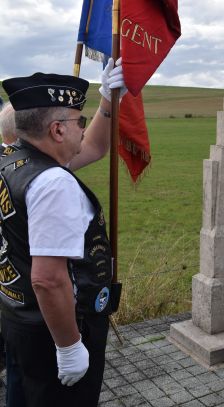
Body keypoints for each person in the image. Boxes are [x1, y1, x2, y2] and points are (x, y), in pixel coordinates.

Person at [0, 60, 126, 406]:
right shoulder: (52, 182)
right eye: (79, 121)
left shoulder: (12, 159)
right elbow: (48, 279)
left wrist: (107, 100)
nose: (82, 129)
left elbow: (95, 147)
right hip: (55, 329)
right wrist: (69, 346)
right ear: (57, 130)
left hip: (19, 317)